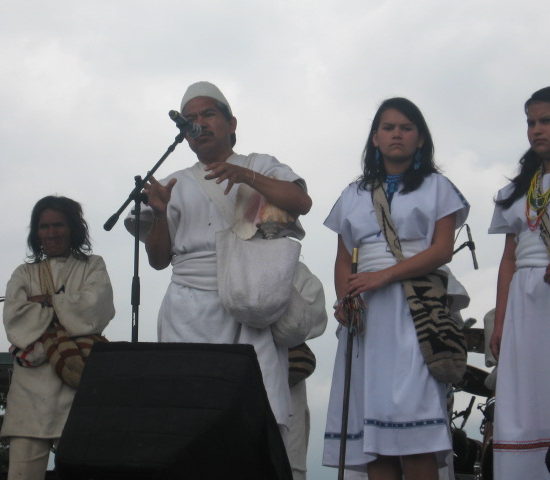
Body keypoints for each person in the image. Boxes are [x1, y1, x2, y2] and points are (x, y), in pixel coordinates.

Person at [125, 81, 312, 441]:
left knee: (251, 421)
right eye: (190, 120)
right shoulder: (174, 183)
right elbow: (158, 261)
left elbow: (301, 202)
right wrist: (160, 213)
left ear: (231, 123)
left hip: (250, 303)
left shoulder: (260, 165)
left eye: (208, 114)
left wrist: (246, 176)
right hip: (187, 311)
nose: (200, 124)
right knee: (189, 419)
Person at [322, 97, 469, 480]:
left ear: (420, 138)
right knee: (374, 440)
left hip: (417, 312)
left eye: (406, 127)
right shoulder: (353, 193)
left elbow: (441, 249)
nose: (397, 134)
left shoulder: (438, 187)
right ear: (375, 138)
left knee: (415, 434)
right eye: (388, 128)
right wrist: (345, 299)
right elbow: (343, 257)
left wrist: (384, 276)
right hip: (367, 317)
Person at [1, 196, 115, 480]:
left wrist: (47, 301)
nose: (51, 233)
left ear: (73, 228)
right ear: (36, 232)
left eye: (58, 225)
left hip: (77, 387)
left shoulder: (93, 266)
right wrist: (68, 308)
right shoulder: (23, 273)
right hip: (29, 393)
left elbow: (96, 309)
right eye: (44, 226)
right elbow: (15, 318)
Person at [489, 86, 550, 479]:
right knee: (525, 397)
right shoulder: (516, 192)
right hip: (524, 304)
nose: (536, 130)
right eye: (531, 122)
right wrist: (499, 322)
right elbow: (509, 258)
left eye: (546, 121)